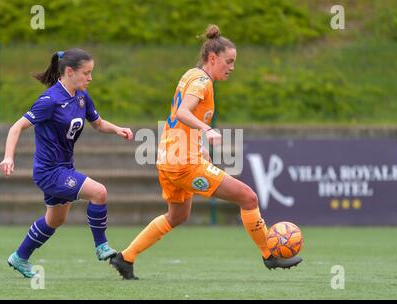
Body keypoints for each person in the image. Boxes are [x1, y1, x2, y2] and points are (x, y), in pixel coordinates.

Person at [109, 25, 302, 280]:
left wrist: (199, 144)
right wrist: (206, 130)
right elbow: (183, 113)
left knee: (177, 215)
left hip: (169, 157)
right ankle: (270, 255)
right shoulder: (202, 82)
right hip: (183, 163)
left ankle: (126, 258)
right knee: (249, 198)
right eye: (229, 61)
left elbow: (180, 118)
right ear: (213, 58)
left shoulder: (192, 74)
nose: (232, 67)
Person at [0, 48, 133, 278]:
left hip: (64, 168)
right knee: (99, 192)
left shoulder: (81, 96)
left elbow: (98, 123)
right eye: (86, 73)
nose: (90, 78)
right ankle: (101, 247)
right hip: (49, 172)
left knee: (55, 220)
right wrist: (8, 156)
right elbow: (16, 127)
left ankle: (19, 257)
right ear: (69, 72)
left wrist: (117, 129)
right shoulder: (50, 100)